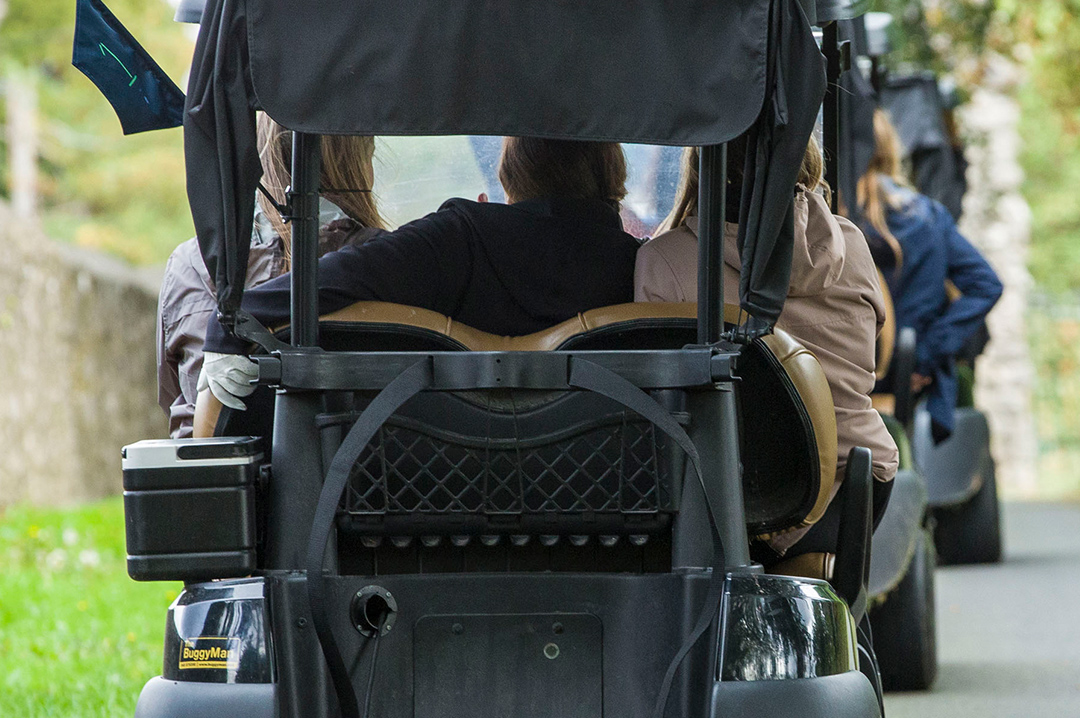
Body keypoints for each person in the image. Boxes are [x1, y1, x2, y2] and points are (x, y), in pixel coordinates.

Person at [198, 137, 640, 413]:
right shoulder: (641, 266)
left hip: (438, 487)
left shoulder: (464, 239)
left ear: (511, 178)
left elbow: (349, 273)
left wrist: (233, 323)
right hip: (613, 492)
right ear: (611, 176)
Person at [635, 136, 898, 558]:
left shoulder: (664, 258)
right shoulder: (851, 243)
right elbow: (875, 333)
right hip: (855, 483)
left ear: (701, 164)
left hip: (738, 496)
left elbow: (651, 385)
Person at [155, 115, 386, 437]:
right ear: (357, 164)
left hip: (217, 472)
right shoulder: (383, 259)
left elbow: (172, 396)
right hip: (359, 468)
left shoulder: (191, 262)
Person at [857, 108, 1002, 442]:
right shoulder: (928, 216)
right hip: (903, 378)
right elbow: (986, 285)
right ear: (889, 149)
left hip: (839, 380)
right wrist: (925, 356)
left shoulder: (832, 217)